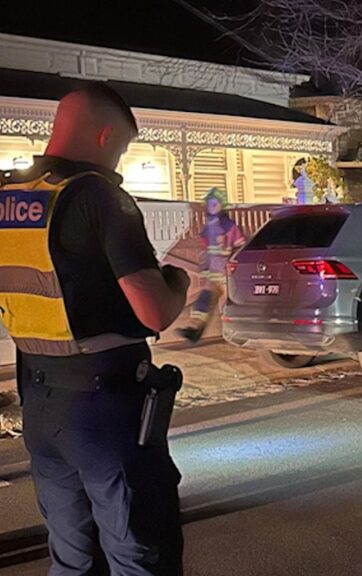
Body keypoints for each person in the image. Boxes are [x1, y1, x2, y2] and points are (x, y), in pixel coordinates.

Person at [0, 83, 189, 574]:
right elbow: (155, 312)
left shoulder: (7, 197)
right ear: (106, 135)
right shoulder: (100, 195)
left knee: (73, 554)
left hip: (39, 405)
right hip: (107, 406)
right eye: (122, 147)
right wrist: (180, 278)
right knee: (139, 551)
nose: (119, 158)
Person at [177, 187, 245, 344]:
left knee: (230, 304)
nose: (212, 206)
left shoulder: (229, 226)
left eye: (216, 203)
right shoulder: (209, 225)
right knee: (205, 300)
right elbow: (206, 246)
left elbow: (240, 245)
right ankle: (195, 329)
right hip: (215, 271)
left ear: (222, 205)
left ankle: (237, 332)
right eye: (210, 203)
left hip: (227, 273)